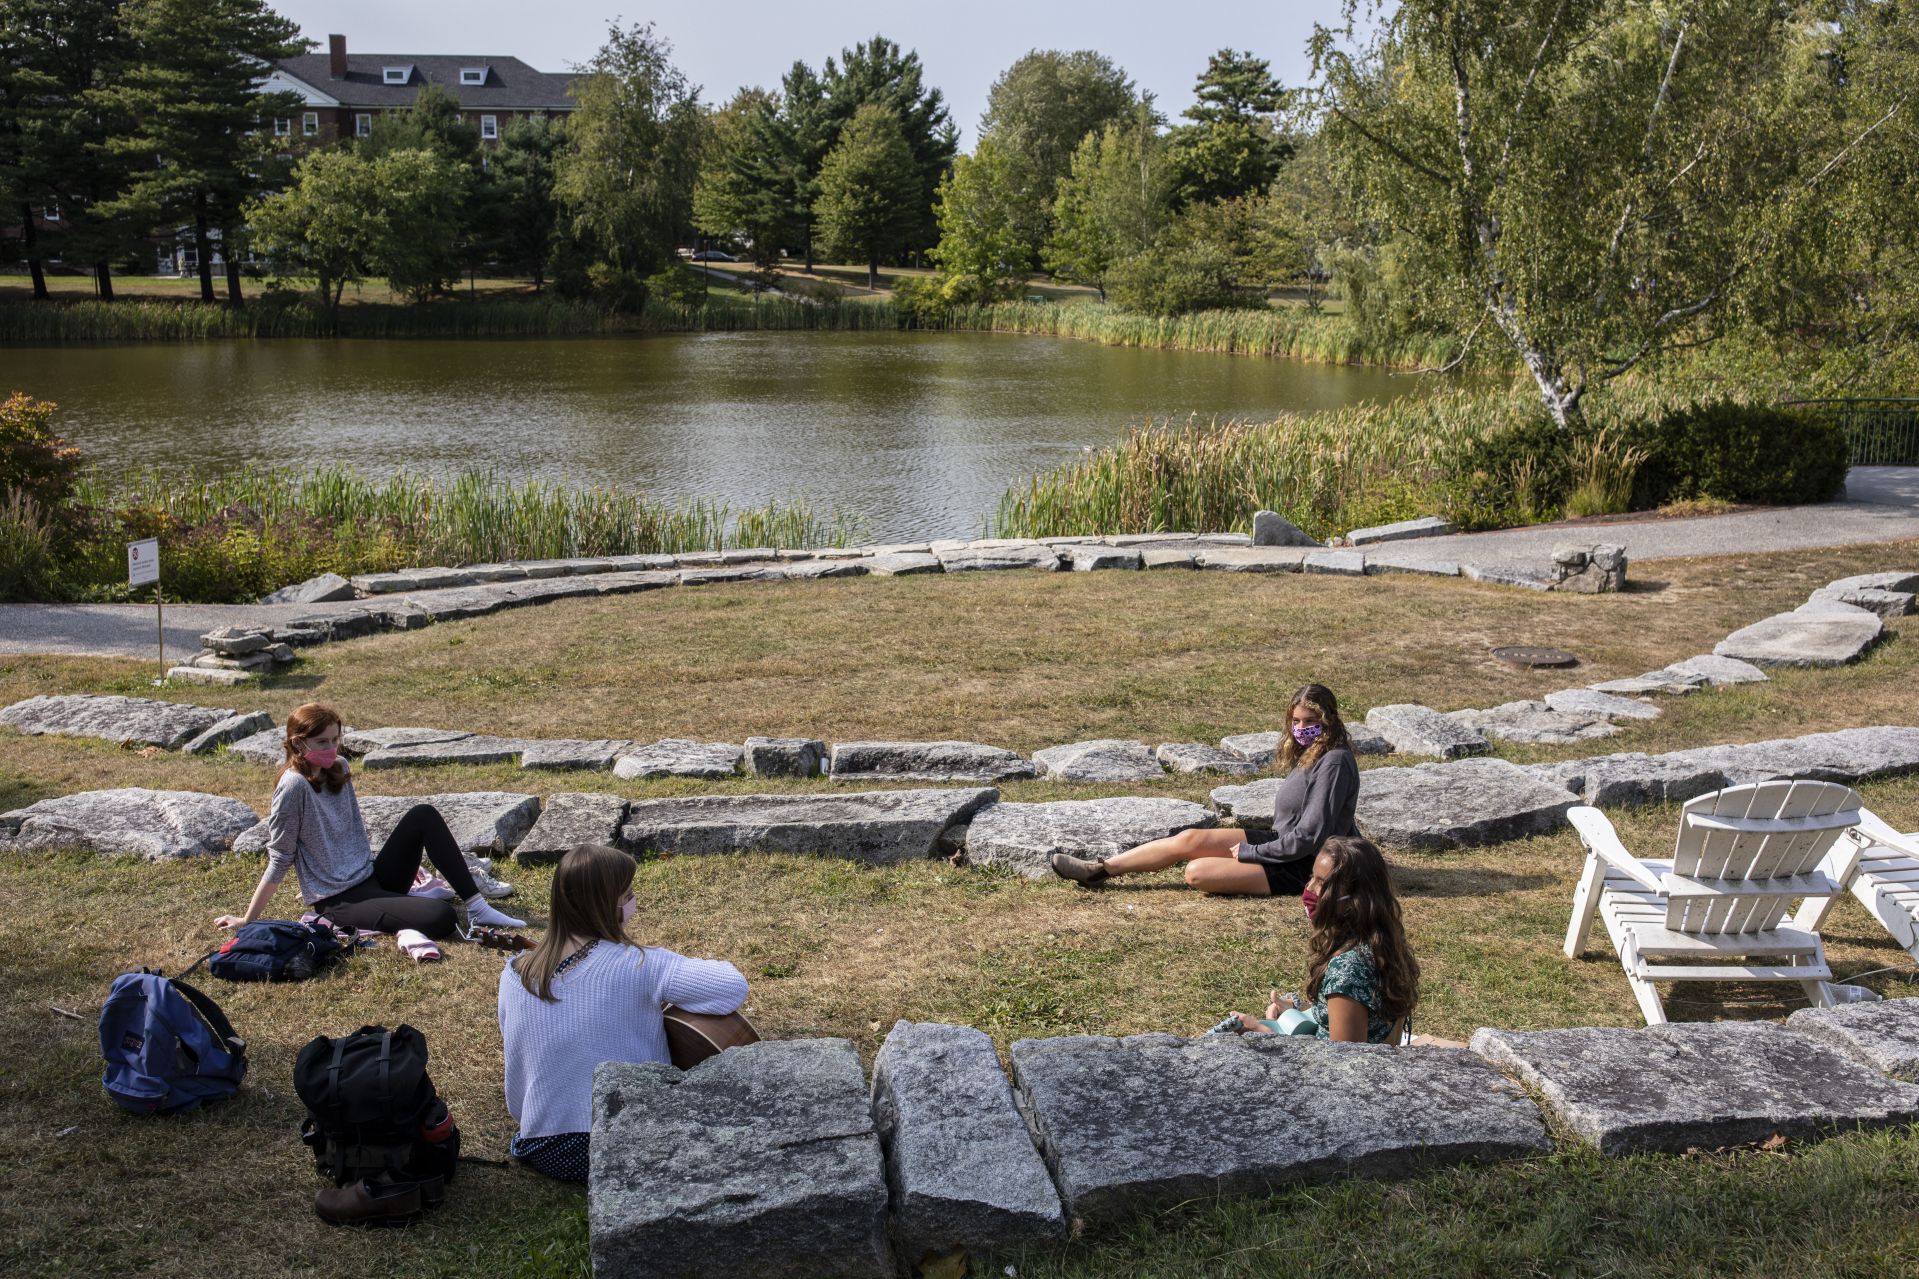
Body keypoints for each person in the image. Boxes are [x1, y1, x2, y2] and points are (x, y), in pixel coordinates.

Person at [497, 842, 749, 1183]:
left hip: (543, 1145)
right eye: (627, 896)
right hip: (627, 1139)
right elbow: (732, 986)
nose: (633, 902)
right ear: (609, 906)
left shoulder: (513, 973)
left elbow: (517, 1072)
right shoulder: (641, 963)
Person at [214, 702, 525, 938]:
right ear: (298, 743)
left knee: (422, 815)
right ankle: (421, 908)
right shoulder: (293, 786)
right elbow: (281, 857)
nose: (331, 748)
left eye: (335, 740)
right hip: (340, 901)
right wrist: (248, 918)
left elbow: (350, 833)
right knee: (442, 917)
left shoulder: (340, 766)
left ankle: (478, 907)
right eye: (323, 742)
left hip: (370, 877)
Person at [1050, 683, 1360, 896]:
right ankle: (1099, 870)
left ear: (1328, 720)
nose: (1301, 728)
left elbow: (1312, 836)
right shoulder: (1315, 754)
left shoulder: (1334, 762)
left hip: (1306, 864)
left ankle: (1249, 867)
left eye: (1310, 721)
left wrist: (1254, 853)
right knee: (1190, 839)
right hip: (1284, 844)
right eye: (1295, 720)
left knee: (1197, 872)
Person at [1229, 836, 1421, 1044]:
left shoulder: (1347, 971)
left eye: (1321, 882)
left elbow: (1343, 1062)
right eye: (1312, 877)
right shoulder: (1382, 942)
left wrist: (1262, 1032)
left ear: (1354, 899)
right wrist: (1296, 1013)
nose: (1309, 888)